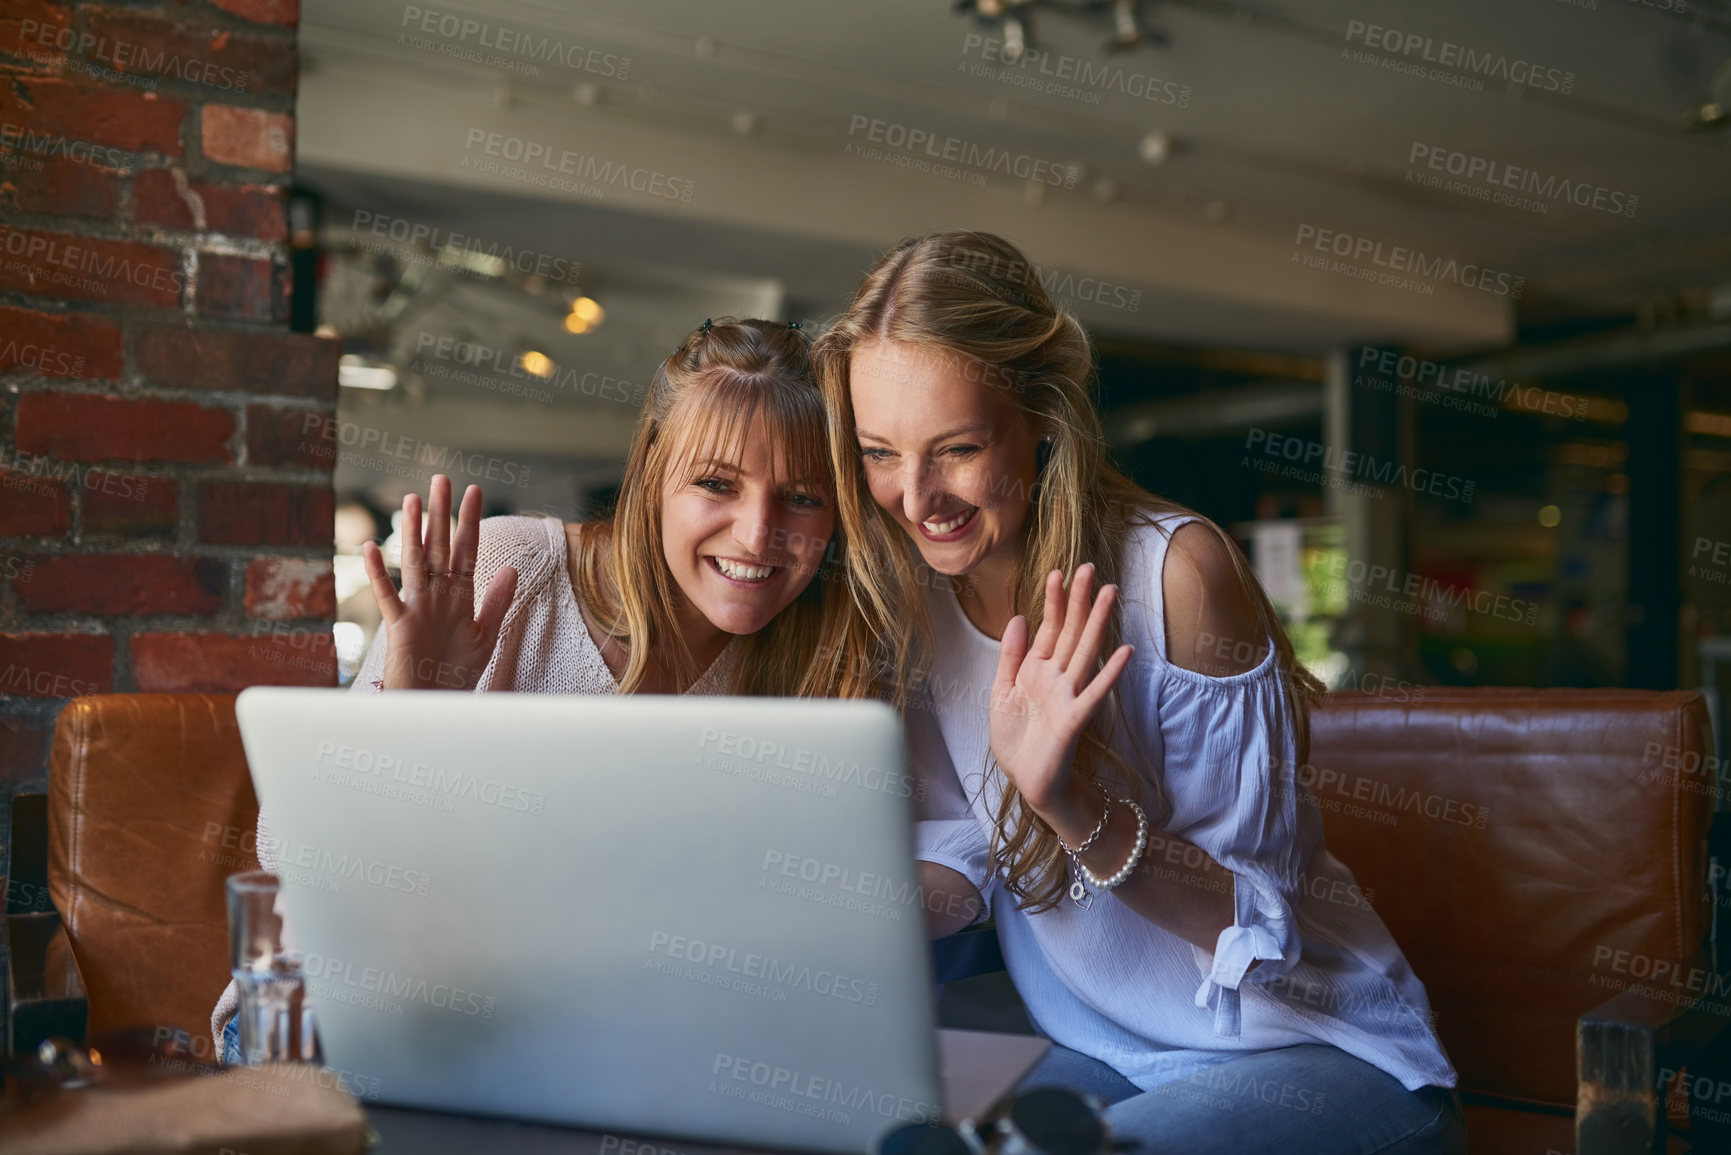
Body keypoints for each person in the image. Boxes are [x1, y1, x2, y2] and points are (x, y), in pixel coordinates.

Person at [812, 231, 1465, 1154]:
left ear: (1041, 414)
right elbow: (965, 849)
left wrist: (1068, 801)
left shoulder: (1175, 576)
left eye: (954, 449)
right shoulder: (910, 596)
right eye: (880, 452)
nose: (916, 497)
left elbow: (1255, 922)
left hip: (1314, 1053)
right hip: (1100, 1048)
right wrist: (803, 907)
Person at [212, 317, 875, 1057]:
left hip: (572, 1033)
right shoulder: (513, 570)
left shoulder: (816, 666)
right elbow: (288, 855)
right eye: (716, 483)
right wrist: (410, 705)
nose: (757, 533)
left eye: (803, 498)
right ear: (653, 473)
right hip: (335, 1017)